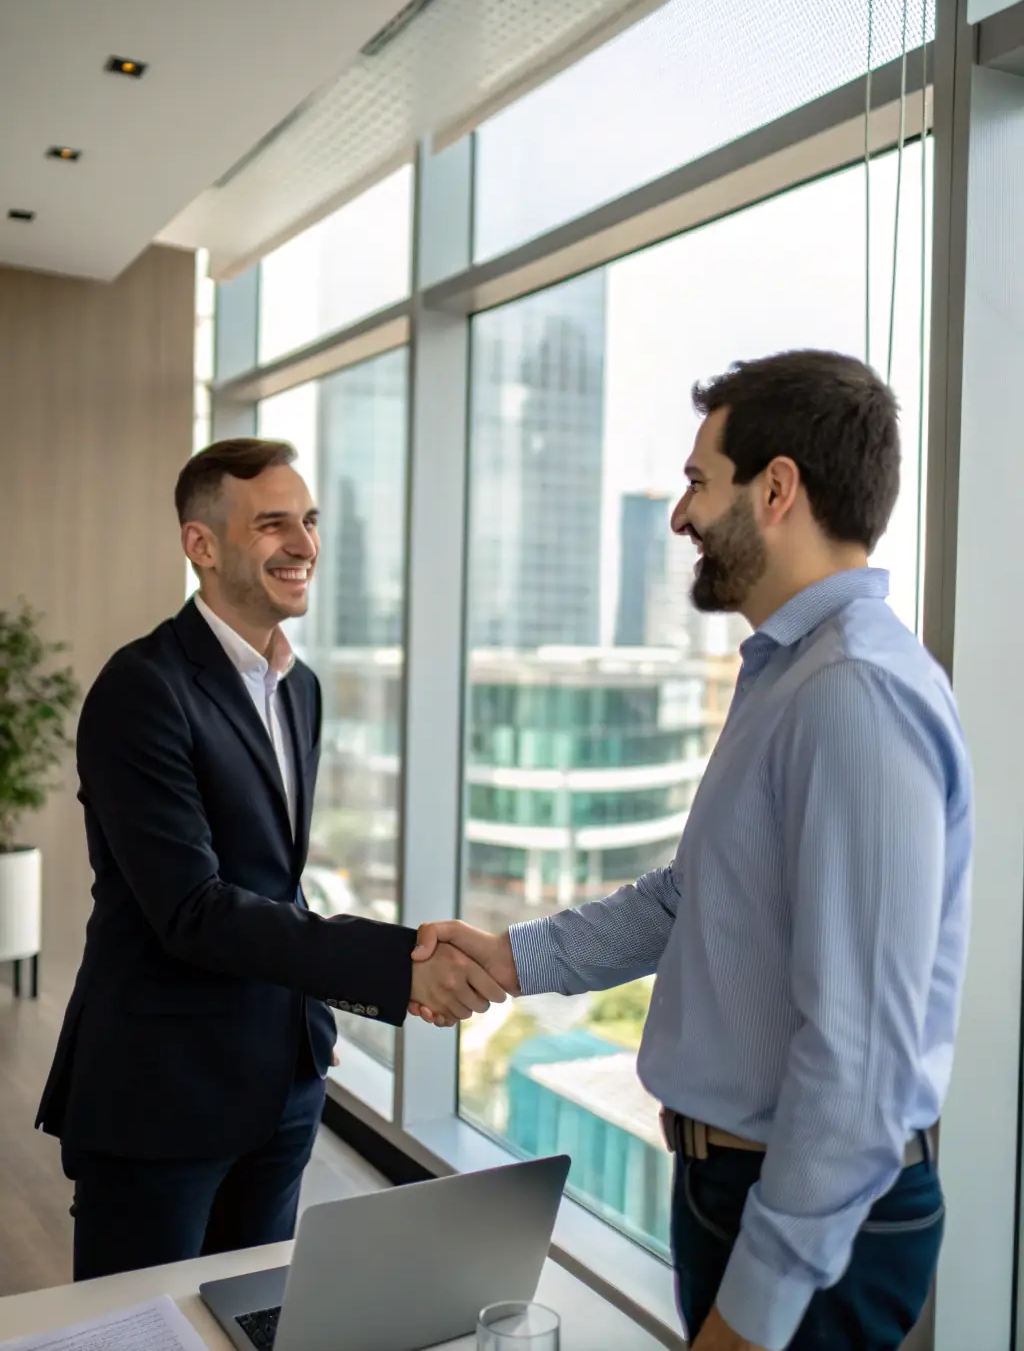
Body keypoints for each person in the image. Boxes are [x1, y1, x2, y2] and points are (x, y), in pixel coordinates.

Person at [410, 351, 973, 1351]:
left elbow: (860, 1065)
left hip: (807, 1213)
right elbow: (692, 897)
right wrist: (512, 957)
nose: (679, 517)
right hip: (737, 1183)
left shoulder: (853, 695)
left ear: (777, 488)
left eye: (696, 483)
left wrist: (750, 1321)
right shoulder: (787, 675)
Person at [37, 438, 503, 1282]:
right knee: (137, 1333)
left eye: (311, 520)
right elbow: (194, 908)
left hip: (282, 1080)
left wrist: (312, 1020)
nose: (305, 544)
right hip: (163, 1090)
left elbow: (271, 877)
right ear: (202, 545)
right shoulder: (142, 687)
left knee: (254, 1319)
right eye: (274, 523)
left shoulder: (301, 686)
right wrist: (397, 965)